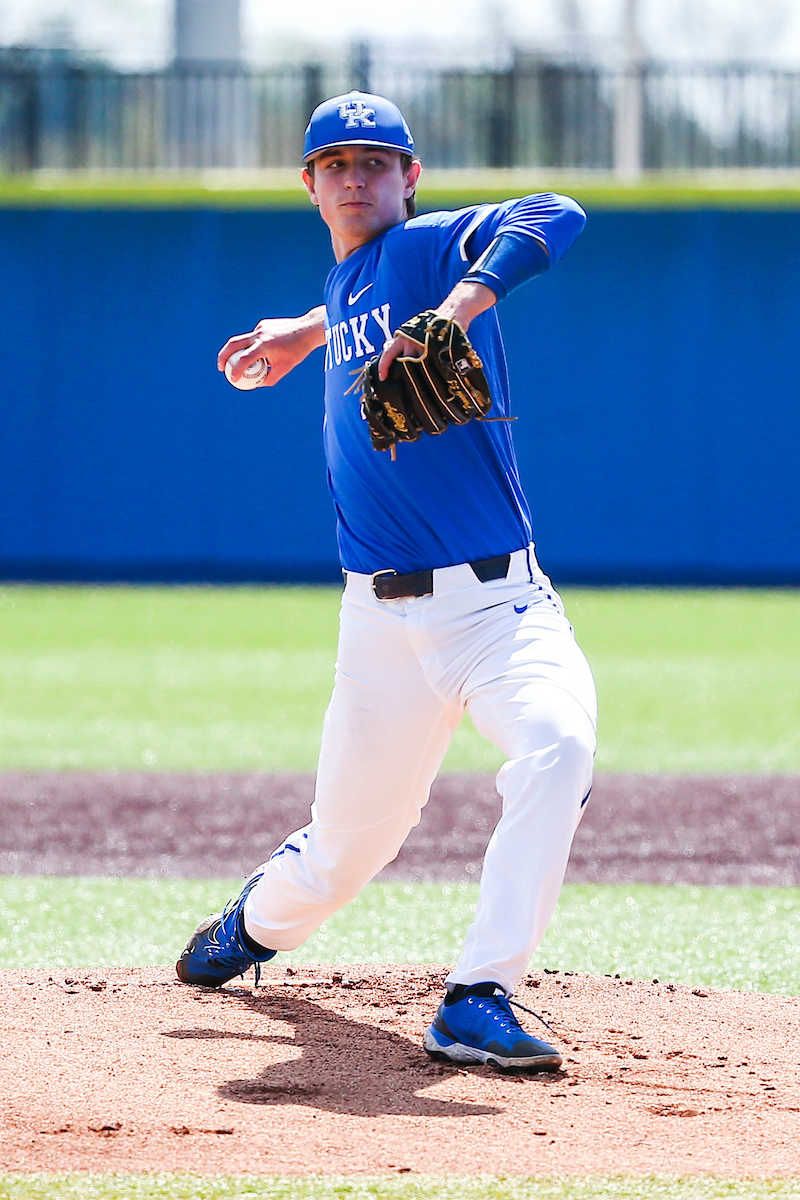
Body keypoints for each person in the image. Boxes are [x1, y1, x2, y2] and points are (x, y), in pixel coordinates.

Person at [176, 91, 597, 1075]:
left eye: (376, 163)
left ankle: (477, 995)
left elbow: (553, 213)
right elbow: (362, 306)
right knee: (342, 852)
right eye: (336, 165)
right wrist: (307, 329)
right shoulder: (356, 280)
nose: (355, 178)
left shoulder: (429, 250)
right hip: (378, 628)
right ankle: (256, 923)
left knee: (558, 748)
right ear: (310, 185)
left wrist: (459, 304)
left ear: (410, 178)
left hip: (499, 609)